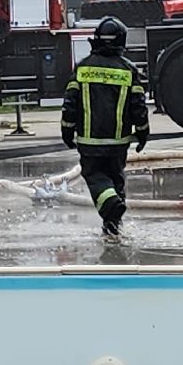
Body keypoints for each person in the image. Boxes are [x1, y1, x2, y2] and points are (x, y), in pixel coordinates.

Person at [61, 17, 149, 242]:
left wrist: (67, 131)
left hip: (90, 143)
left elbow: (70, 103)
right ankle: (112, 227)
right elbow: (138, 105)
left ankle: (111, 208)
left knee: (96, 178)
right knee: (116, 180)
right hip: (119, 143)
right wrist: (142, 132)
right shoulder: (128, 70)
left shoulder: (83, 68)